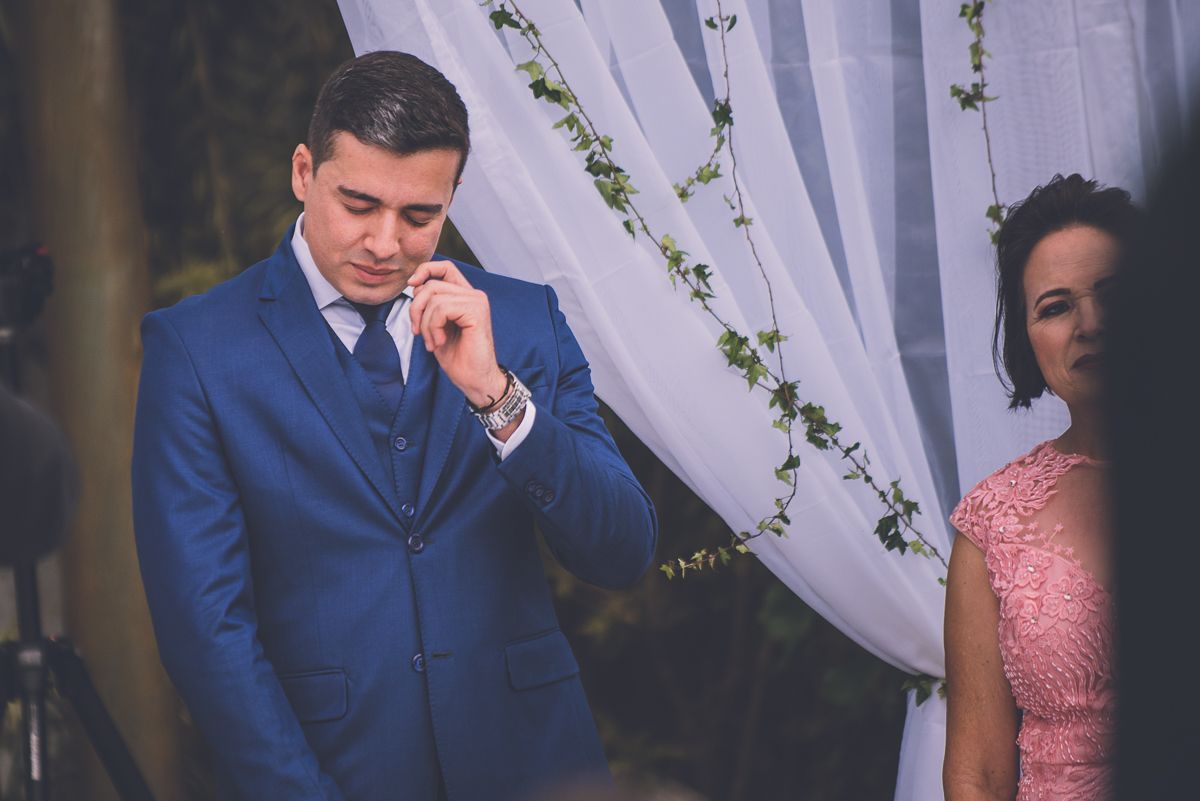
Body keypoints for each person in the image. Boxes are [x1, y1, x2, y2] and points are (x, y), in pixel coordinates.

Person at [131, 51, 657, 801]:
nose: (385, 244)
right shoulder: (196, 350)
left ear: (453, 197)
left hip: (535, 767)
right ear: (304, 172)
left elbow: (623, 550)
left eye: (419, 216)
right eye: (358, 205)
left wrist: (496, 396)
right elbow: (204, 630)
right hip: (334, 771)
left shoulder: (524, 320)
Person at [942, 174, 1141, 801]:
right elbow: (977, 775)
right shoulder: (993, 522)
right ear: (1028, 343)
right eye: (1055, 307)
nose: (1091, 323)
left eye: (1114, 293)